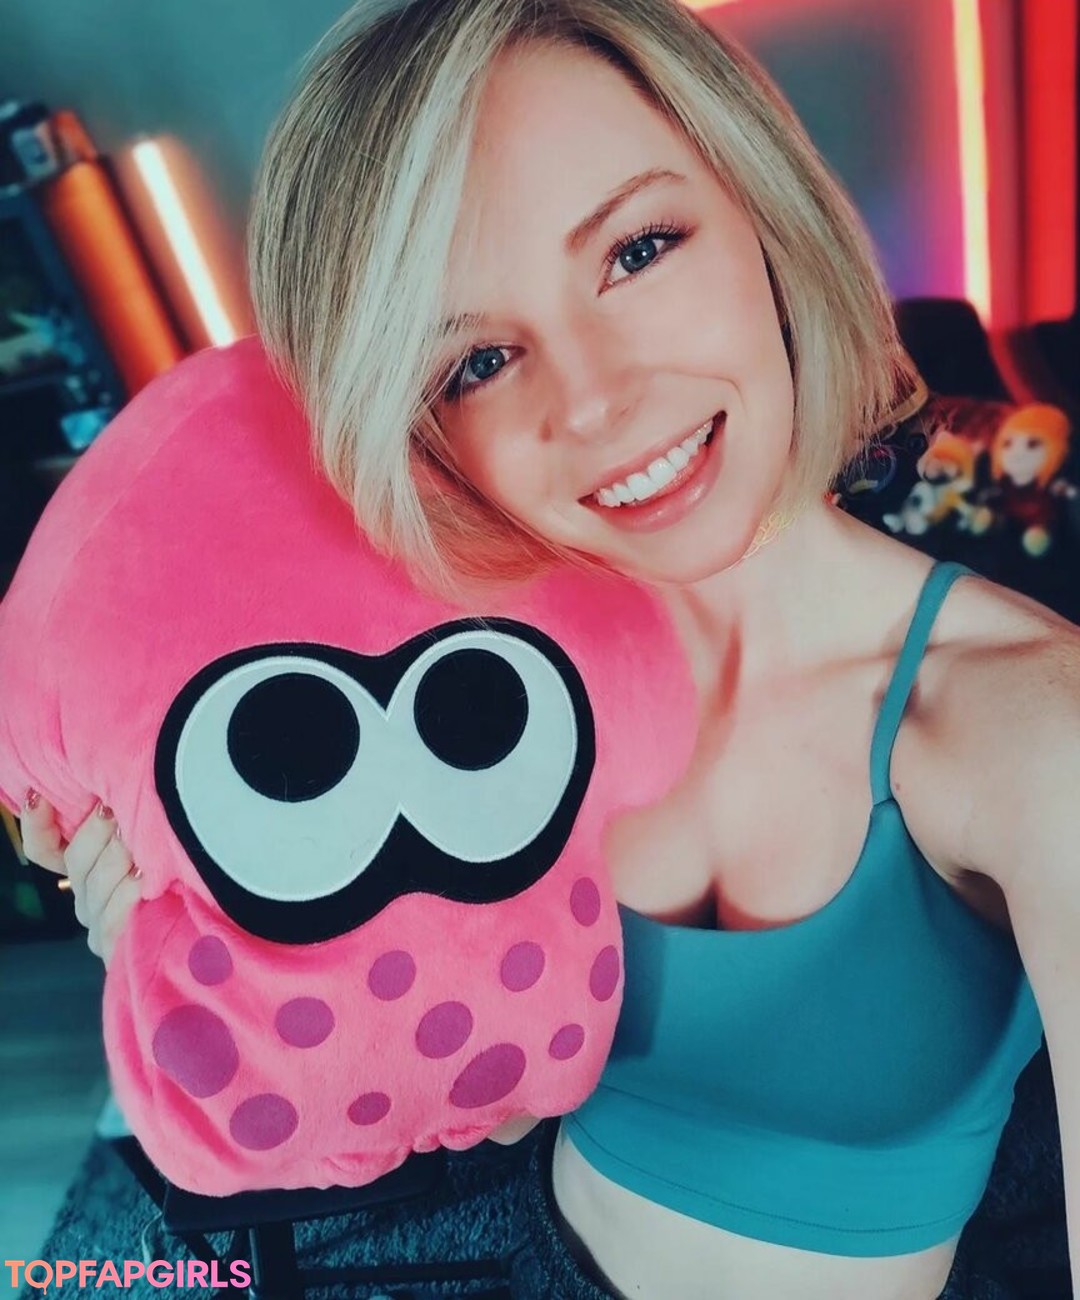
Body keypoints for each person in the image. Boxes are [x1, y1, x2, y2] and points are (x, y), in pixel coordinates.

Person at [16, 1, 1080, 1297]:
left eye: (638, 250)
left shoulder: (1032, 724)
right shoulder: (466, 682)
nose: (592, 400)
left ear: (760, 204)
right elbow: (469, 1081)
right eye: (476, 361)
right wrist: (176, 931)